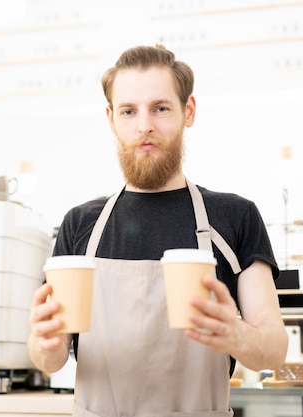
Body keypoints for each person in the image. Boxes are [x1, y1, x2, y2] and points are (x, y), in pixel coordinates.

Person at [27, 44, 288, 417]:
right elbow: (49, 360)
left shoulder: (236, 216)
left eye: (160, 108)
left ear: (189, 112)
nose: (144, 125)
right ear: (111, 119)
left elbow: (274, 350)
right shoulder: (80, 224)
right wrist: (44, 341)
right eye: (128, 111)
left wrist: (236, 333)